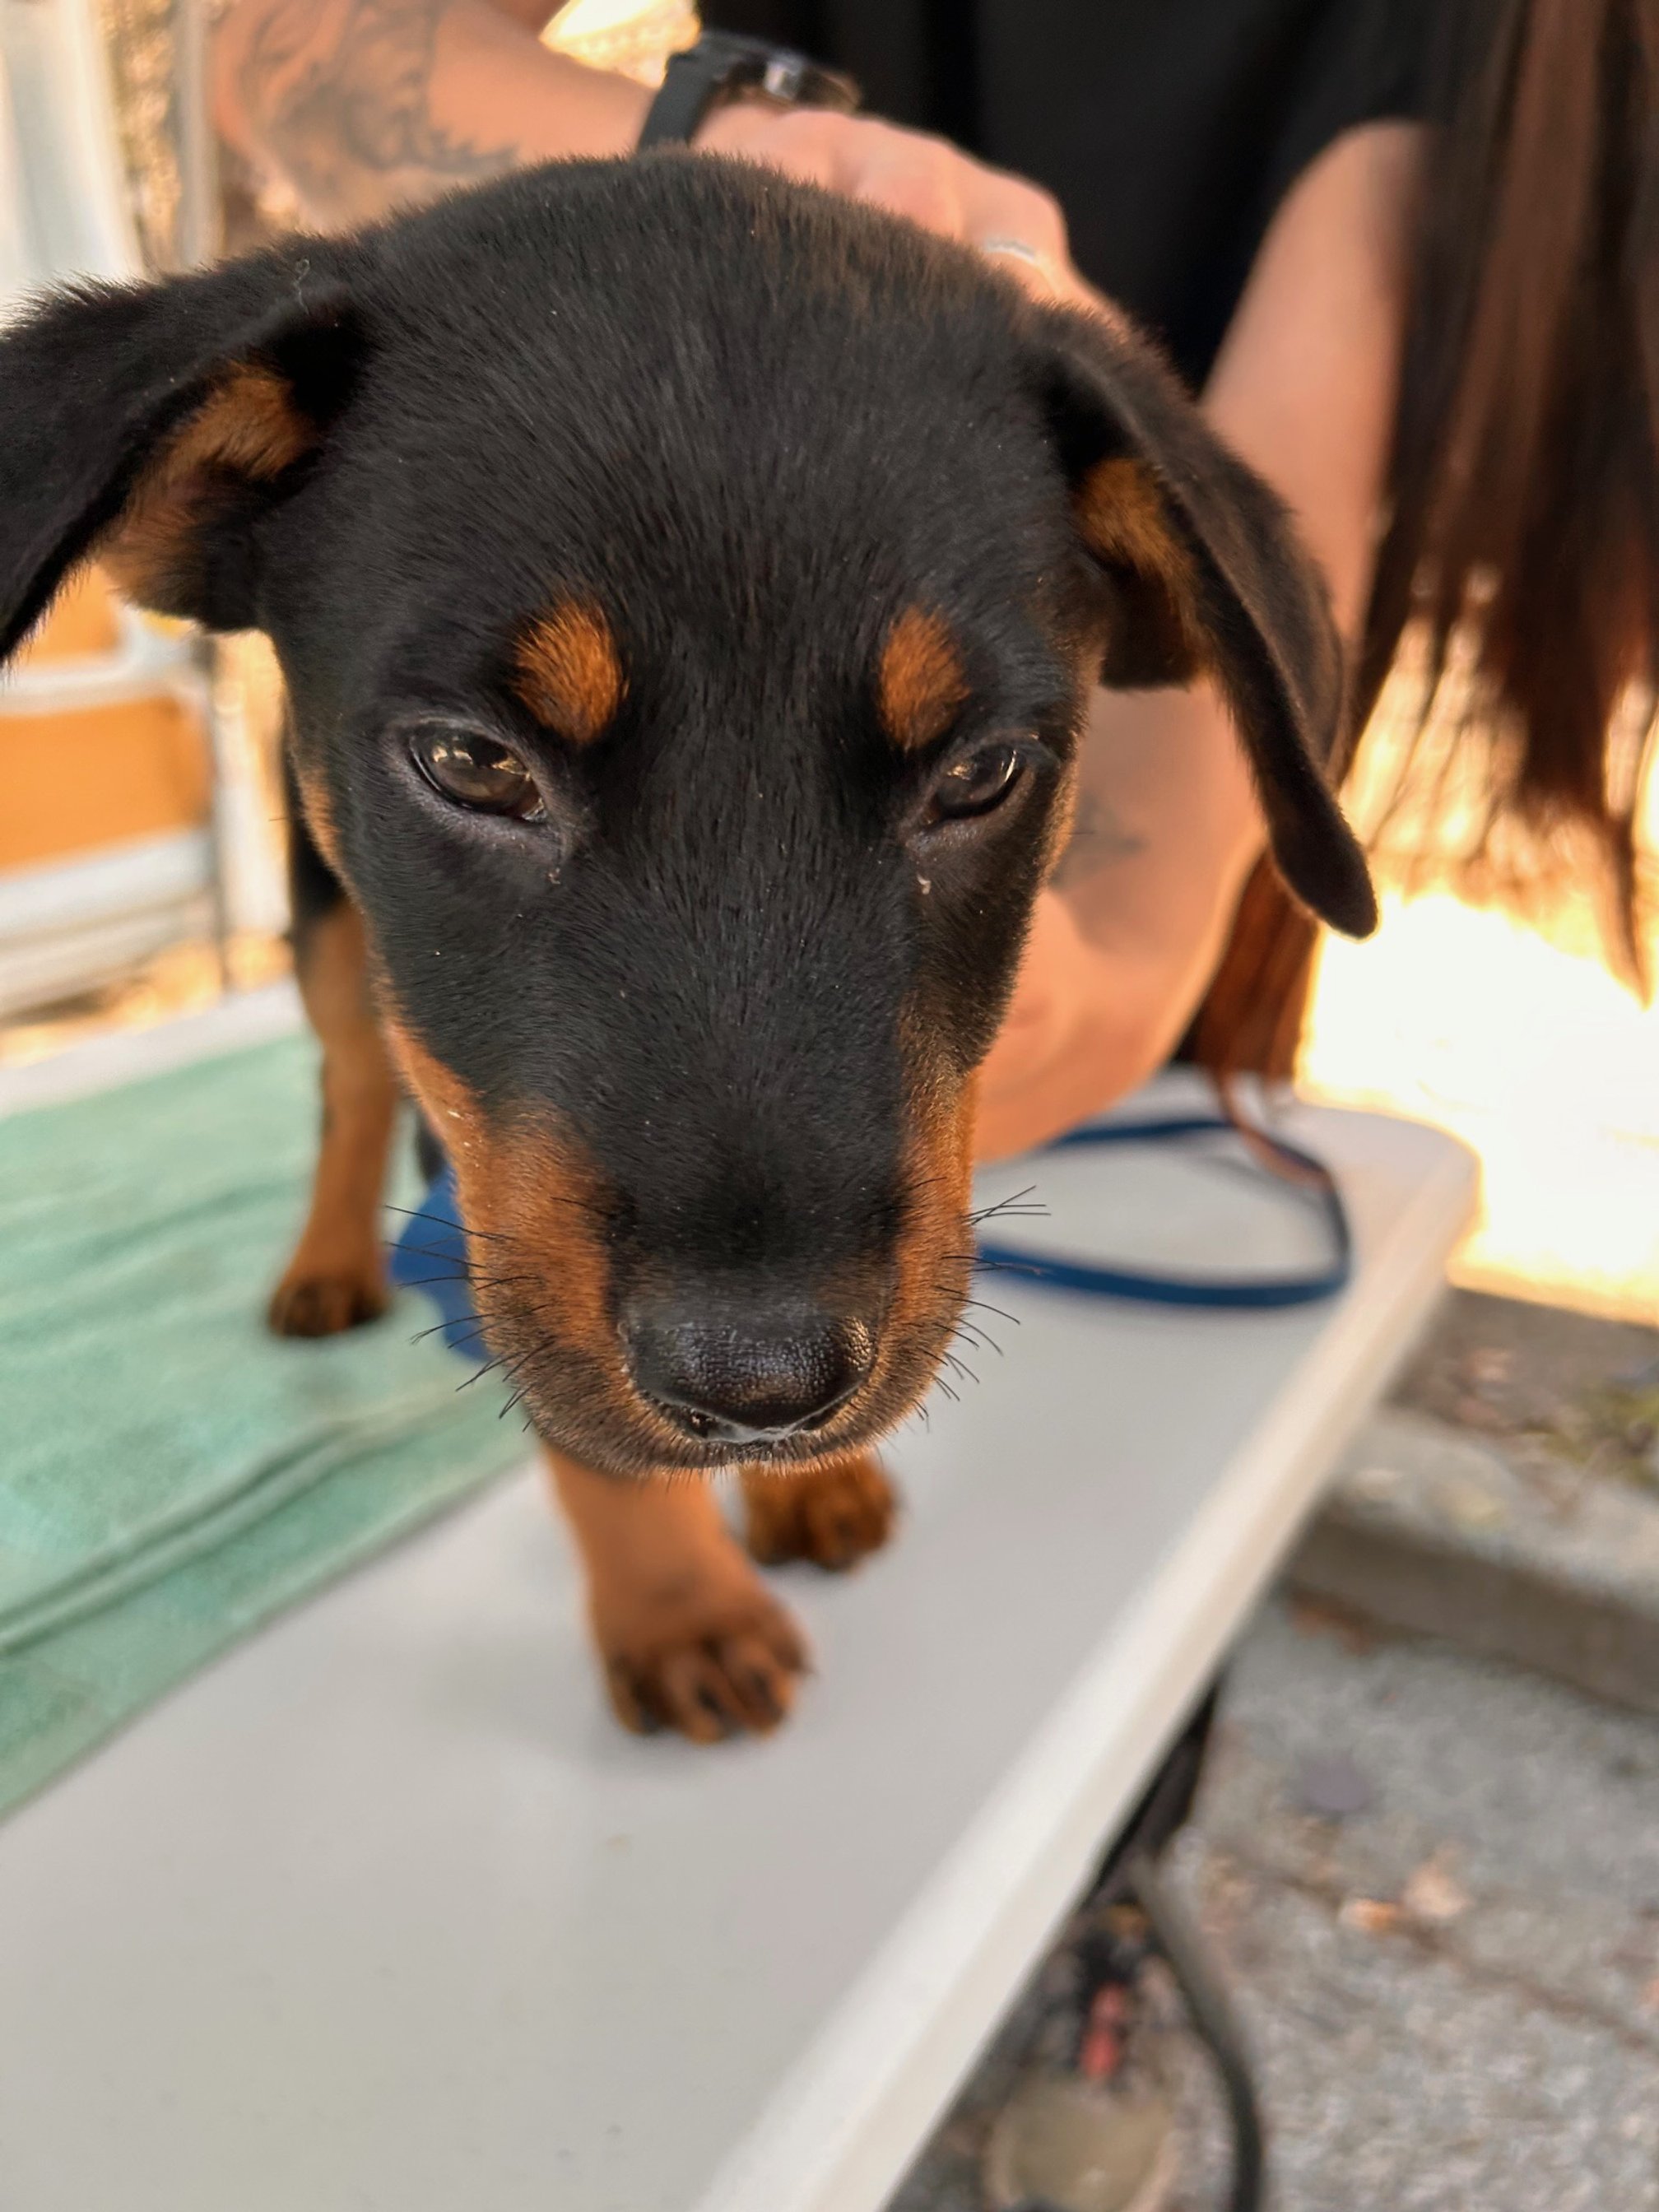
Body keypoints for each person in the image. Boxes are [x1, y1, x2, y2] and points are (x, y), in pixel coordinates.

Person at [205, 0, 1659, 1164]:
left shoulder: (1465, 65)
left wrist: (1103, 961)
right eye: (481, 767)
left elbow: (1129, 953)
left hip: (1075, 870)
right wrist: (727, 151)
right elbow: (287, 40)